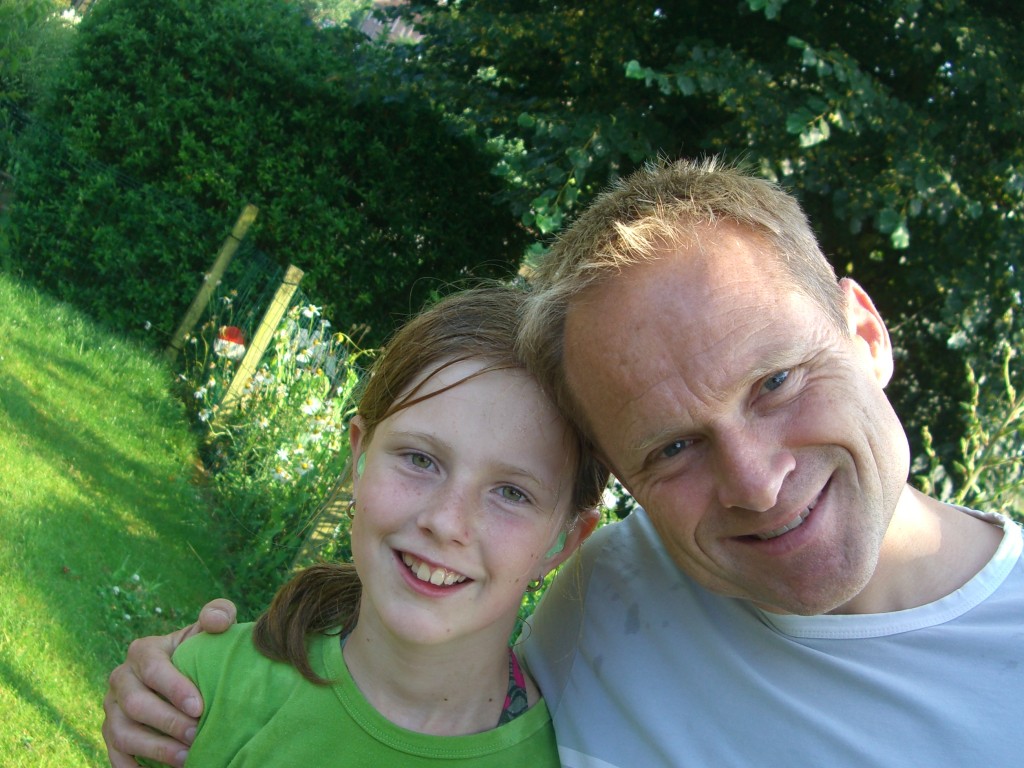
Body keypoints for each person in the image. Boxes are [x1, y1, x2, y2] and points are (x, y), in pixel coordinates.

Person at [105, 159, 1024, 767]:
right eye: (672, 447)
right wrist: (191, 685)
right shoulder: (614, 591)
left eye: (776, 380)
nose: (755, 481)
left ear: (866, 333)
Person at [113, 285, 606, 767]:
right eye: (420, 459)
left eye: (512, 493)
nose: (445, 522)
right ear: (359, 456)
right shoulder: (204, 691)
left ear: (566, 542)